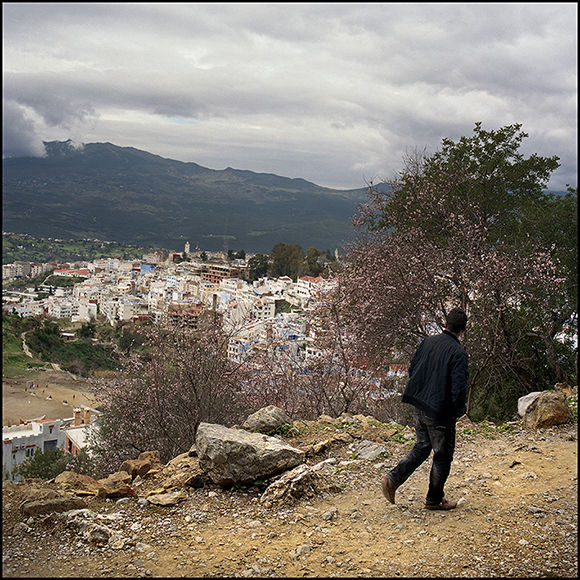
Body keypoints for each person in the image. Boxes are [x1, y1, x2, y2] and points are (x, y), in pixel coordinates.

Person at [382, 308, 469, 510]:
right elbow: (459, 388)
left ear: (445, 324)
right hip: (439, 411)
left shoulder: (428, 342)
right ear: (463, 329)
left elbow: (413, 369)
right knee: (442, 455)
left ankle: (392, 479)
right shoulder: (458, 353)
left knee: (422, 446)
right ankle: (434, 499)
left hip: (419, 404)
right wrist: (456, 412)